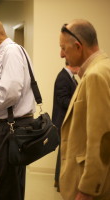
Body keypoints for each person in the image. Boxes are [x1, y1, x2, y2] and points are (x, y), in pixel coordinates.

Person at [0, 18, 35, 200]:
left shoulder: (10, 53)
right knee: (12, 183)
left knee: (6, 185)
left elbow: (10, 92)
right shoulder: (10, 52)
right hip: (13, 126)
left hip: (12, 128)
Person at [59, 19, 110, 200]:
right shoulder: (102, 68)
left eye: (64, 48)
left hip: (90, 187)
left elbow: (102, 138)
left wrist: (88, 188)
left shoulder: (96, 75)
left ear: (78, 46)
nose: (61, 54)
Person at [52, 61, 79, 192]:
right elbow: (63, 100)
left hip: (66, 121)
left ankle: (60, 181)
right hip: (62, 122)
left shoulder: (71, 78)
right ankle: (59, 181)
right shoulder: (63, 77)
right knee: (63, 153)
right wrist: (79, 104)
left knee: (64, 152)